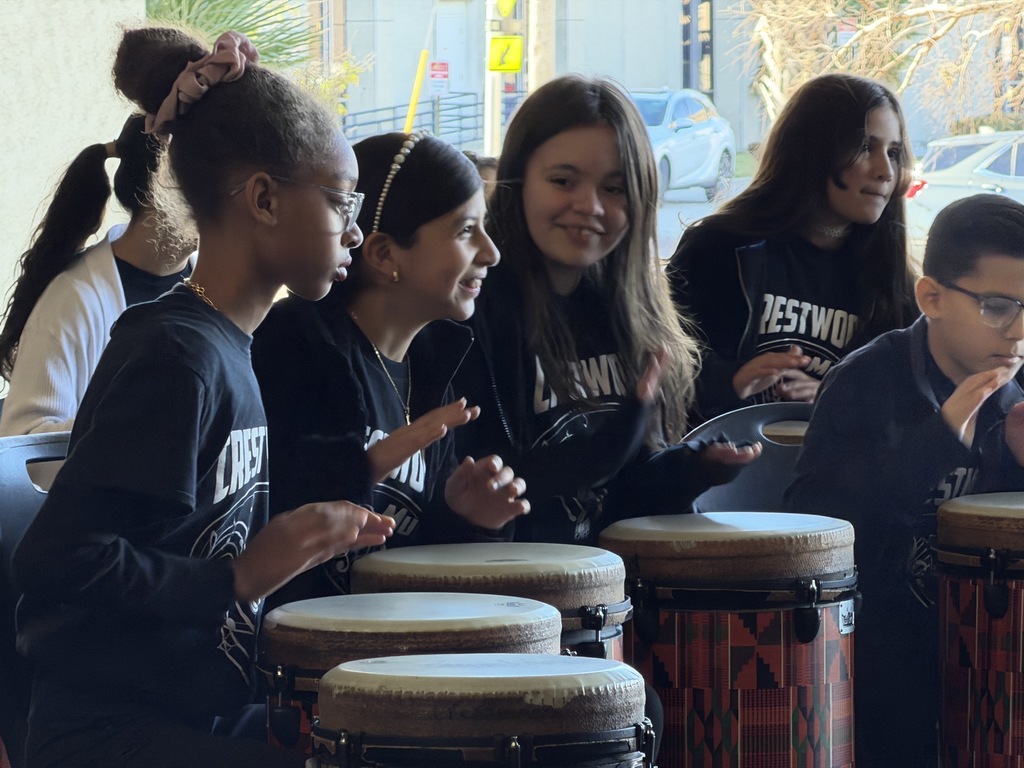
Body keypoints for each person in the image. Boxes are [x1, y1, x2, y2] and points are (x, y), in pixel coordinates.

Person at [11, 26, 395, 768]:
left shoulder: (231, 348)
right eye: (341, 202)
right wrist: (240, 575)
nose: (354, 230)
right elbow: (57, 559)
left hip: (197, 714)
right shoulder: (176, 357)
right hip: (108, 736)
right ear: (263, 199)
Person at [454, 73, 760, 549]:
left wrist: (693, 468)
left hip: (604, 602)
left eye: (615, 189)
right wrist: (622, 432)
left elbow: (625, 497)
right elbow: (488, 481)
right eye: (562, 180)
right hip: (507, 600)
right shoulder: (471, 310)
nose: (590, 206)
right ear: (518, 181)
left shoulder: (626, 313)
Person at [785, 194, 1024, 768]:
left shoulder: (1018, 396)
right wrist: (937, 440)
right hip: (880, 651)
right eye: (997, 306)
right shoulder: (867, 382)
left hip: (997, 650)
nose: (1018, 331)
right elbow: (813, 532)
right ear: (932, 297)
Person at [251, 131, 528, 602]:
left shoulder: (436, 366)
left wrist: (465, 515)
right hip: (300, 661)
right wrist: (366, 465)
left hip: (393, 652)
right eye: (465, 231)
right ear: (383, 255)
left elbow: (409, 560)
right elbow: (261, 506)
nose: (491, 252)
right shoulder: (292, 344)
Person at [667, 73, 919, 423]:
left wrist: (831, 398)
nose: (886, 170)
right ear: (813, 151)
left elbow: (910, 405)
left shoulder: (893, 277)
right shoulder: (716, 247)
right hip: (725, 470)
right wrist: (732, 381)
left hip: (830, 472)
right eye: (864, 147)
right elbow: (661, 371)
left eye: (893, 152)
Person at [0, 114, 194, 436]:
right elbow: (24, 445)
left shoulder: (211, 284)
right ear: (164, 187)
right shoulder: (72, 301)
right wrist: (144, 423)